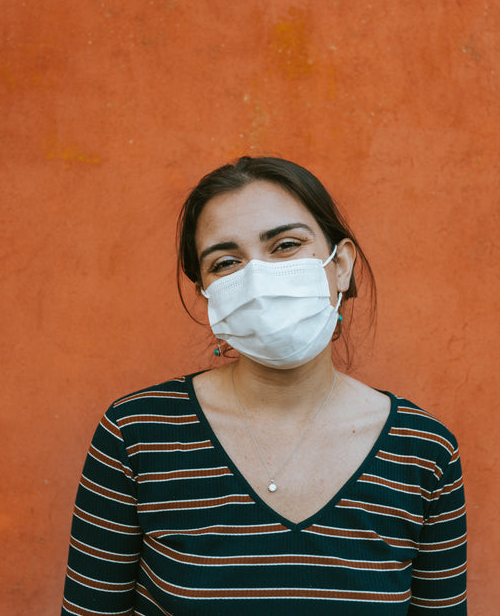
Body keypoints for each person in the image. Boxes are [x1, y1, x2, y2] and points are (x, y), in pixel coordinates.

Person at [61, 157, 466, 615]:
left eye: (286, 245)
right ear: (208, 295)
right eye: (226, 261)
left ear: (341, 266)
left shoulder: (422, 450)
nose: (258, 278)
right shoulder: (138, 433)